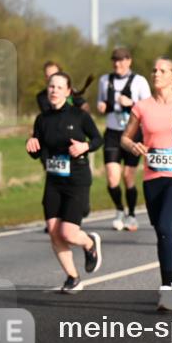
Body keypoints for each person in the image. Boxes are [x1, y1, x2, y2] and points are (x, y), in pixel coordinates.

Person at [121, 57, 172, 312]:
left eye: (162, 70)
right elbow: (125, 138)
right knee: (161, 232)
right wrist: (133, 145)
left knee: (164, 226)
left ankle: (169, 288)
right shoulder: (142, 106)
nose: (156, 73)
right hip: (152, 177)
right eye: (154, 70)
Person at [26, 71, 103, 293]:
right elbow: (38, 150)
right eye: (51, 87)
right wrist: (31, 146)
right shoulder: (42, 119)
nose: (54, 91)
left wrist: (84, 147)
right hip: (53, 180)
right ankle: (72, 277)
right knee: (53, 230)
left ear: (68, 92)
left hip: (77, 180)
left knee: (68, 233)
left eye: (59, 87)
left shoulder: (79, 116)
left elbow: (98, 139)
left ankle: (89, 243)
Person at [98, 47, 152, 231]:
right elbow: (102, 102)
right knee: (113, 178)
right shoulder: (105, 80)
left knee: (128, 177)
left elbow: (149, 107)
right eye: (114, 60)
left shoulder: (139, 81)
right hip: (113, 133)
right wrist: (102, 105)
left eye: (121, 60)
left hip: (133, 134)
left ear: (129, 61)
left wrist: (132, 104)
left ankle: (131, 214)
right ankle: (119, 210)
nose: (117, 64)